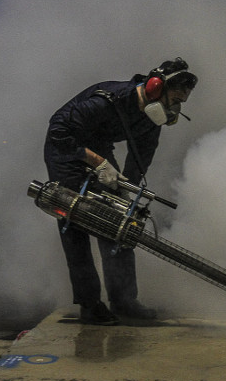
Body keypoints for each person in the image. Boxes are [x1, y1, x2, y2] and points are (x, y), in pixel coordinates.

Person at [44, 57, 198, 325]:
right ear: (154, 87)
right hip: (66, 152)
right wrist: (97, 162)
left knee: (119, 224)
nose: (175, 106)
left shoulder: (150, 119)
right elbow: (58, 130)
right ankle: (90, 305)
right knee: (78, 223)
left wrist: (129, 194)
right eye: (174, 99)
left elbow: (141, 158)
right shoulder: (108, 100)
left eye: (180, 103)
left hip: (99, 149)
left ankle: (124, 300)